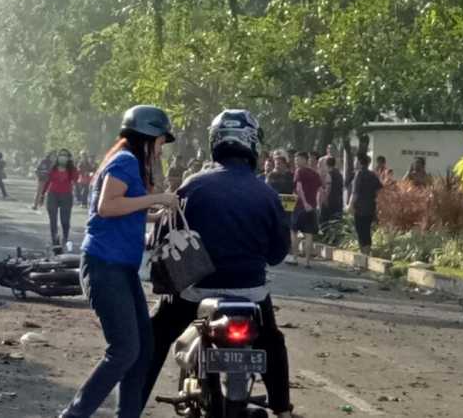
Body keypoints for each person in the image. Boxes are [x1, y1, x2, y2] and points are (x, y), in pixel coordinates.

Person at [142, 109, 294, 418]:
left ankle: (130, 405)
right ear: (252, 145)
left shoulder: (192, 185)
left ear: (215, 143)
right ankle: (282, 408)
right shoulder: (267, 194)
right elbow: (278, 254)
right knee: (272, 342)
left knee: (156, 335)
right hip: (250, 293)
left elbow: (166, 236)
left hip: (196, 290)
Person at [59, 105, 178, 418]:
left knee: (144, 349)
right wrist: (157, 199)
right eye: (161, 141)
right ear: (148, 137)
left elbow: (126, 210)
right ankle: (73, 415)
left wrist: (157, 215)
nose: (162, 148)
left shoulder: (131, 163)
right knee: (124, 350)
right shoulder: (125, 160)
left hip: (121, 269)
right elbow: (108, 207)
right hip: (103, 265)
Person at [37, 149, 79, 247]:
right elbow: (47, 182)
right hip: (52, 195)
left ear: (68, 158)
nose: (62, 157)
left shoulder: (71, 169)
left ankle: (65, 237)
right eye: (61, 155)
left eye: (65, 156)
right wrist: (42, 195)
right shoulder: (53, 168)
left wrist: (72, 166)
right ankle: (55, 240)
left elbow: (76, 179)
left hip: (66, 195)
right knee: (53, 219)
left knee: (65, 220)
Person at [289, 152, 322, 268]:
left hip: (299, 207)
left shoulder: (299, 172)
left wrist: (304, 203)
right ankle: (307, 261)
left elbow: (299, 188)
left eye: (298, 159)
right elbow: (320, 191)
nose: (296, 162)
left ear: (304, 160)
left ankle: (295, 258)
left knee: (293, 231)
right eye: (295, 160)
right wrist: (316, 205)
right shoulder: (315, 174)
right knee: (309, 234)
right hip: (312, 208)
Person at [347, 154, 383, 255]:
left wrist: (350, 206)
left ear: (358, 162)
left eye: (355, 161)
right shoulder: (373, 175)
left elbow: (355, 192)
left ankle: (363, 257)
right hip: (371, 208)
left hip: (359, 208)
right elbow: (379, 189)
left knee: (360, 232)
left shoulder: (359, 174)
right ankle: (366, 256)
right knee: (367, 232)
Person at [319, 157, 344, 224]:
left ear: (326, 164)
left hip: (329, 202)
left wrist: (324, 200)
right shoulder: (339, 174)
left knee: (324, 224)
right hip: (338, 202)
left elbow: (328, 189)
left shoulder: (329, 174)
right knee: (336, 224)